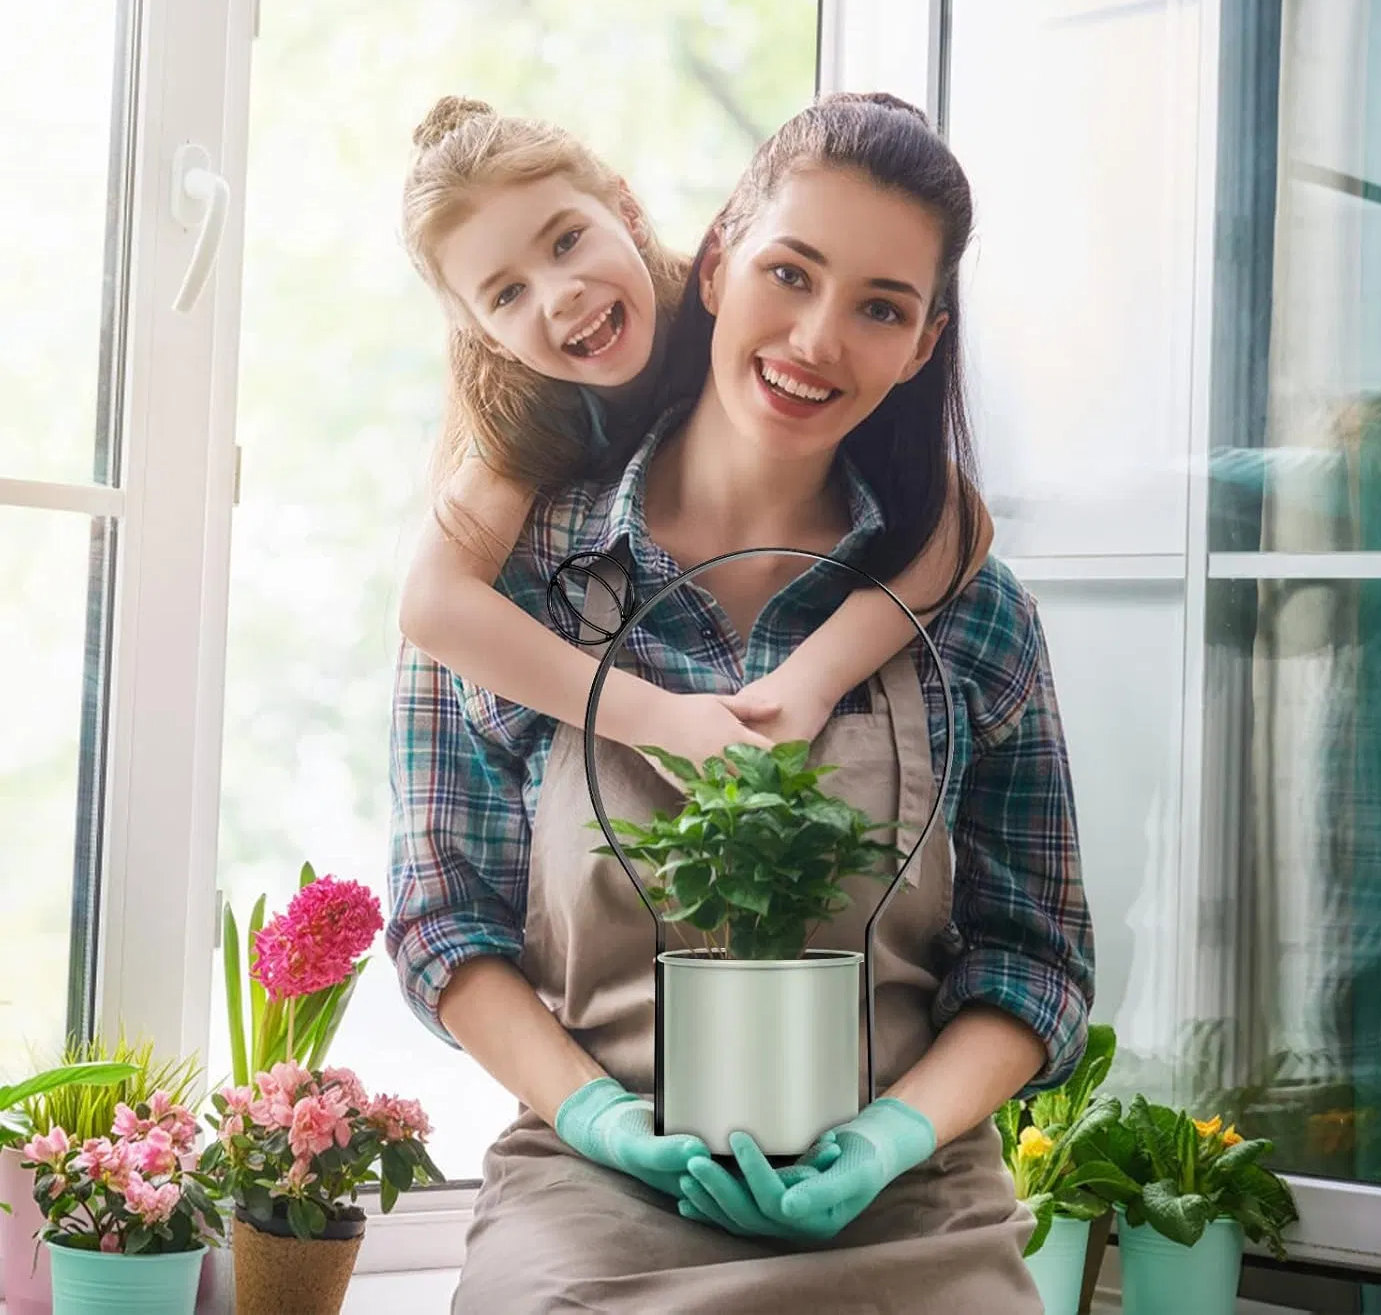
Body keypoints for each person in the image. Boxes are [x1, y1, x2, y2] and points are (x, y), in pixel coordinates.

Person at [388, 93, 1095, 1311]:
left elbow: (1034, 967)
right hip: (590, 1203)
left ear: (924, 343)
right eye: (790, 272)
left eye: (881, 307)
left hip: (910, 1211)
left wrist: (889, 1140)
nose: (819, 341)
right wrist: (600, 1118)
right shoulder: (511, 595)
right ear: (716, 261)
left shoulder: (973, 613)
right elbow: (446, 926)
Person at [395, 97, 993, 770]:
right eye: (507, 294)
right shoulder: (527, 420)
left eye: (566, 242)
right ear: (484, 337)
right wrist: (656, 719)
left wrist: (810, 685)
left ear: (627, 210)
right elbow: (430, 605)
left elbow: (960, 526)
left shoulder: (730, 306)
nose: (559, 294)